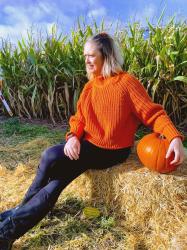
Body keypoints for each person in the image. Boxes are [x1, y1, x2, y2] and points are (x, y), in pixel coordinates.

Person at [0, 32, 185, 249]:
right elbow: (78, 119)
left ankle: (14, 219)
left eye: (91, 55)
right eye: (84, 55)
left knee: (51, 157)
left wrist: (173, 137)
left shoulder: (126, 83)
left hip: (112, 150)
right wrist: (72, 138)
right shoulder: (90, 88)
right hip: (89, 146)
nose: (86, 60)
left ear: (105, 56)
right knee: (56, 177)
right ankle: (11, 227)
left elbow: (153, 114)